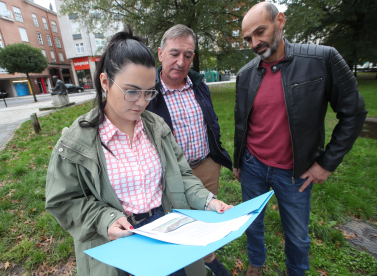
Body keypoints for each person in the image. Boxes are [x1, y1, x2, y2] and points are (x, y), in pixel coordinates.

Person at [45, 29, 233, 276]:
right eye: (132, 91)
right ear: (105, 82)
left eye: (149, 92)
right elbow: (64, 201)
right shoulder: (75, 141)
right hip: (116, 246)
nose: (142, 102)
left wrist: (207, 201)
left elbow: (183, 176)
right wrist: (105, 220)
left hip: (166, 232)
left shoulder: (157, 127)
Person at [233, 2, 367, 276]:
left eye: (260, 32)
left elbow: (353, 113)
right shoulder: (246, 74)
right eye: (248, 39)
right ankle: (256, 263)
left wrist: (327, 163)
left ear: (280, 21)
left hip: (294, 172)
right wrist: (238, 162)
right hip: (253, 166)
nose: (255, 43)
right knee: (251, 223)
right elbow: (241, 122)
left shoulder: (323, 59)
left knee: (297, 235)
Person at [146, 24, 233, 276]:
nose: (181, 61)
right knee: (177, 222)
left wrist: (216, 156)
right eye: (174, 53)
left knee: (205, 217)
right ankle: (181, 263)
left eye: (188, 55)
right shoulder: (150, 92)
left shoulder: (198, 84)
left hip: (205, 166)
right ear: (160, 54)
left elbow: (212, 122)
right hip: (170, 174)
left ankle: (207, 257)